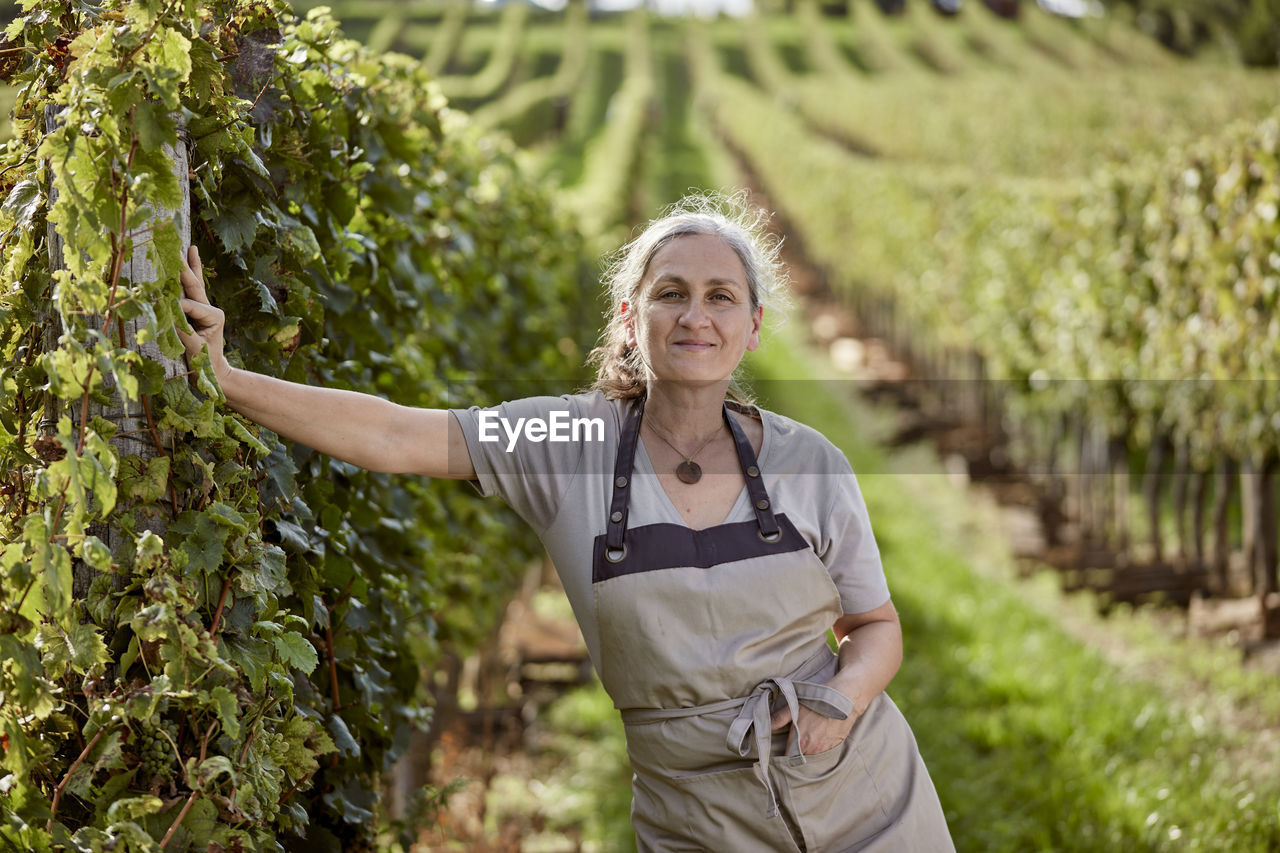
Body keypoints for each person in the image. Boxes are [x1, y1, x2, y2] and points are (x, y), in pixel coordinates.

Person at [177, 194, 954, 851]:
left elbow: (874, 624)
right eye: (671, 292)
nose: (696, 315)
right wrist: (230, 380)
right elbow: (394, 434)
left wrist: (841, 702)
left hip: (867, 802)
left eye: (721, 296)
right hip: (697, 820)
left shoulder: (809, 462)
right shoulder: (568, 443)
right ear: (630, 316)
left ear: (752, 325)